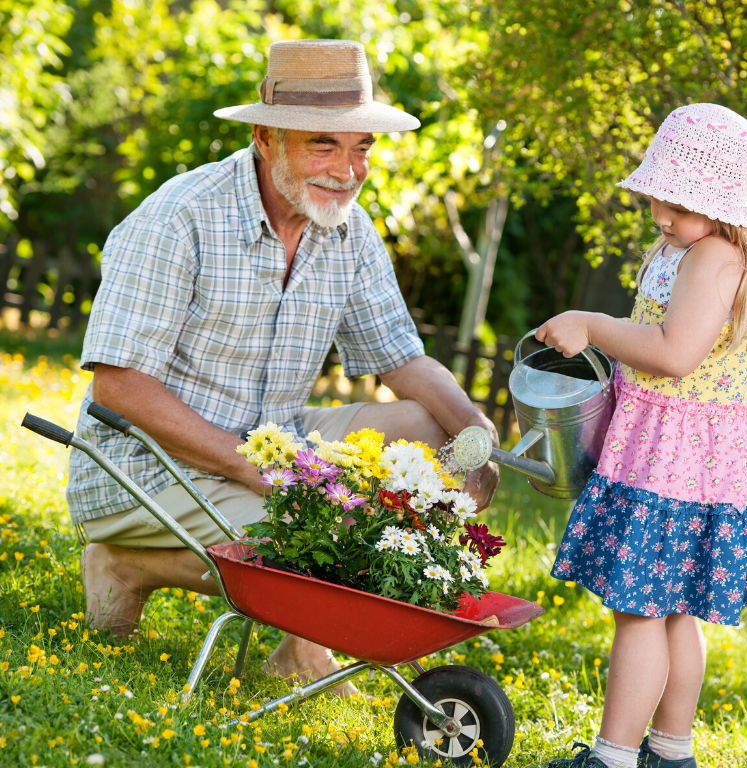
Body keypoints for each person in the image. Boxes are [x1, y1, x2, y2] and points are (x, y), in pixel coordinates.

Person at [65, 39, 498, 694]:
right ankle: (126, 563)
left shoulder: (348, 229)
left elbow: (402, 358)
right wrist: (257, 468)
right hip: (147, 467)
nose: (349, 171)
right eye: (325, 144)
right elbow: (118, 384)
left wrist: (474, 436)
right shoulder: (180, 218)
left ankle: (299, 648)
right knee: (327, 524)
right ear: (266, 138)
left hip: (275, 447)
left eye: (362, 149)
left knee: (424, 429)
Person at [529, 104, 747, 768]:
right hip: (677, 452)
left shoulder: (717, 255)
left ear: (722, 203)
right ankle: (671, 754)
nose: (664, 216)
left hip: (684, 459)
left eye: (681, 204)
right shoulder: (684, 247)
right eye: (660, 201)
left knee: (640, 608)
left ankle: (613, 761)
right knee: (670, 608)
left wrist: (592, 322)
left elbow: (674, 353)